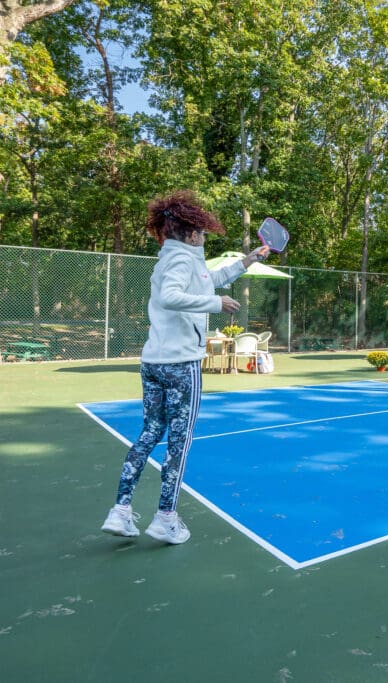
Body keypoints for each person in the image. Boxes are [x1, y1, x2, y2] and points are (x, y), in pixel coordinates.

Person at [100, 191, 268, 544]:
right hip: (180, 365)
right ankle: (165, 518)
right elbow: (171, 297)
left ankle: (121, 510)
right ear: (191, 234)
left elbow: (212, 278)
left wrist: (247, 260)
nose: (205, 238)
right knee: (180, 441)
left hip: (154, 363)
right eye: (203, 233)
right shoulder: (180, 262)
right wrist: (214, 303)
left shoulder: (175, 258)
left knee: (149, 433)